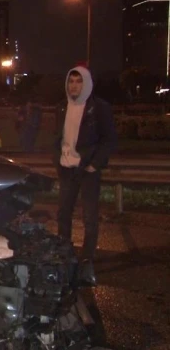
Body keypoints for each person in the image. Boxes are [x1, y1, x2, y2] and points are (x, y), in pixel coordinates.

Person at [53, 66, 117, 286]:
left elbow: (109, 139)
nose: (74, 86)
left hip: (87, 170)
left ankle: (87, 262)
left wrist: (94, 164)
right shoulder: (62, 107)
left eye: (78, 81)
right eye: (71, 81)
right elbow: (58, 138)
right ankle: (64, 256)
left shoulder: (99, 108)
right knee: (63, 214)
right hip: (67, 169)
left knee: (89, 217)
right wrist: (57, 160)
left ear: (87, 83)